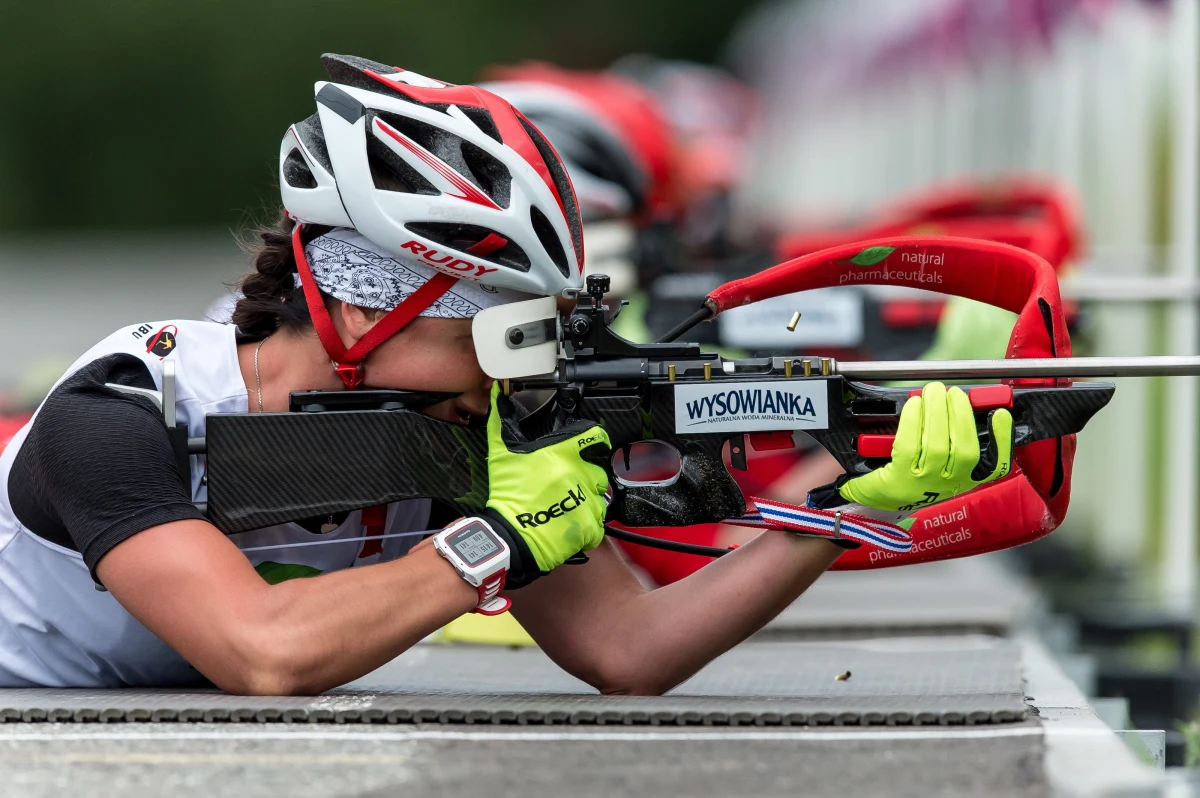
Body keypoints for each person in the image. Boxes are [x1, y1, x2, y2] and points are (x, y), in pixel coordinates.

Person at [0, 54, 1010, 694]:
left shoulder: (444, 424)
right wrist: (489, 546)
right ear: (361, 306)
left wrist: (833, 514)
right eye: (492, 331)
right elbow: (263, 650)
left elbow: (628, 649)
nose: (515, 369)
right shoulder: (128, 407)